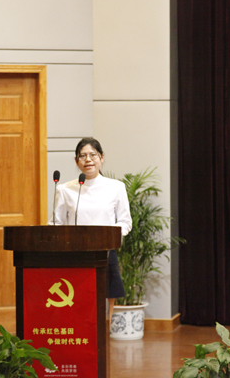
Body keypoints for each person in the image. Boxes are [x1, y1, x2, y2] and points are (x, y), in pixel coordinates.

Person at [48, 137, 132, 322]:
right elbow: (56, 223)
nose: (88, 160)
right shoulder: (65, 189)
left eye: (93, 155)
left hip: (105, 252)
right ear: (76, 160)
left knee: (106, 294)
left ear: (101, 157)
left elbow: (125, 222)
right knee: (77, 299)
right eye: (83, 156)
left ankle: (105, 329)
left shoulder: (116, 187)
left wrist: (108, 235)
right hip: (75, 253)